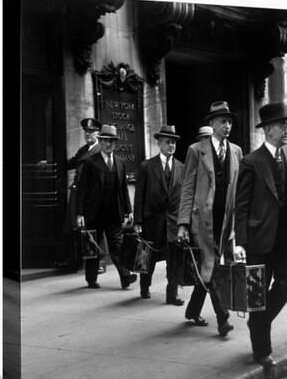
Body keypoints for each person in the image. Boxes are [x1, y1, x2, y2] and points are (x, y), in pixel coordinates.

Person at [235, 102, 287, 367]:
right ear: (269, 130)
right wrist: (240, 242)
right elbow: (241, 205)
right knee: (257, 297)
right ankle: (262, 350)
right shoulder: (251, 162)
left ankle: (259, 322)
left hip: (283, 241)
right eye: (283, 125)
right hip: (257, 242)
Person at [177, 101, 243, 337]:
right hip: (202, 221)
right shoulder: (196, 150)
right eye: (223, 121)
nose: (228, 126)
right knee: (212, 266)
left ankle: (193, 310)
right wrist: (183, 223)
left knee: (210, 266)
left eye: (230, 121)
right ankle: (222, 317)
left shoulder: (236, 151)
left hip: (226, 221)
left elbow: (238, 189)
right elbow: (187, 188)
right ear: (212, 123)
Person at [76, 124, 137, 289]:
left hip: (113, 213)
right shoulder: (90, 162)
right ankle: (91, 278)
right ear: (100, 142)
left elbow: (123, 189)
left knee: (117, 246)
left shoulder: (120, 162)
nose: (109, 144)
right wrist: (80, 214)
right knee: (93, 247)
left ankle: (126, 277)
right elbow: (81, 189)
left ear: (115, 143)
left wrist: (128, 210)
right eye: (105, 141)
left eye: (112, 141)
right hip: (94, 213)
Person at [133, 125, 184, 305]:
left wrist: (184, 222)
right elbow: (139, 195)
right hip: (151, 220)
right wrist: (138, 221)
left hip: (173, 222)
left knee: (174, 259)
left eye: (173, 143)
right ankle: (145, 285)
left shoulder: (181, 167)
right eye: (167, 142)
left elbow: (184, 197)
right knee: (148, 256)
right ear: (159, 143)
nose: (171, 145)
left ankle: (172, 293)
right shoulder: (147, 166)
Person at [61, 118, 102, 273]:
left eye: (91, 132)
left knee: (92, 229)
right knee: (74, 227)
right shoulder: (82, 150)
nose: (88, 134)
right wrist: (51, 162)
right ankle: (76, 261)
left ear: (98, 133)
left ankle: (98, 264)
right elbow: (70, 163)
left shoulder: (100, 151)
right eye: (86, 132)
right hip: (77, 193)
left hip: (90, 196)